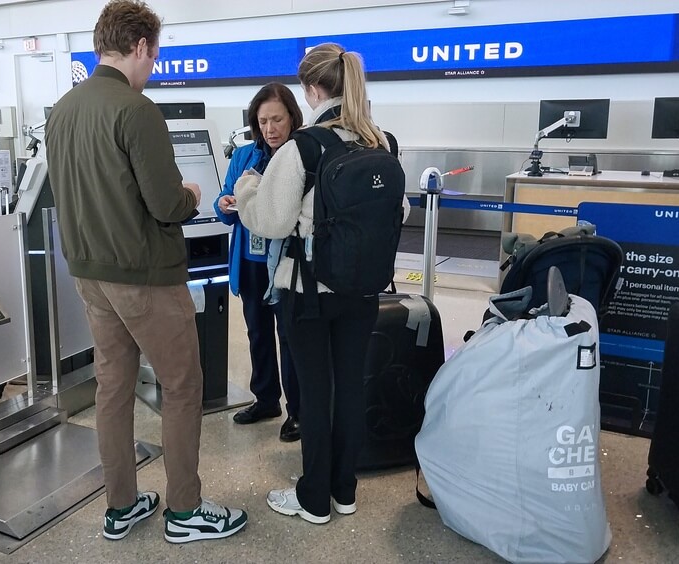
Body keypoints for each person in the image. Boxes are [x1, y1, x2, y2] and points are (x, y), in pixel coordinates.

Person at [45, 0, 247, 544]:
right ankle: (185, 511)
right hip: (144, 274)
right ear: (140, 47)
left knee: (112, 386)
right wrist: (191, 194)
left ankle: (122, 505)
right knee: (182, 387)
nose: (153, 65)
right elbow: (165, 203)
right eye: (154, 55)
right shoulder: (137, 109)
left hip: (90, 272)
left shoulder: (62, 110)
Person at [235, 43, 410, 524]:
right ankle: (344, 491)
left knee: (314, 394)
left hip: (307, 292)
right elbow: (399, 211)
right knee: (350, 388)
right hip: (364, 290)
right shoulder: (384, 143)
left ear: (313, 90)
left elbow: (269, 221)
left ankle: (313, 498)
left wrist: (248, 186)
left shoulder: (305, 146)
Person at [214, 83, 304, 442]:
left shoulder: (300, 155)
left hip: (283, 263)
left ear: (292, 118)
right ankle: (266, 398)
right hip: (250, 261)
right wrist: (224, 205)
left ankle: (297, 410)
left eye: (277, 119)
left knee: (290, 337)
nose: (270, 128)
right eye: (263, 121)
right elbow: (227, 197)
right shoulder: (244, 156)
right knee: (258, 334)